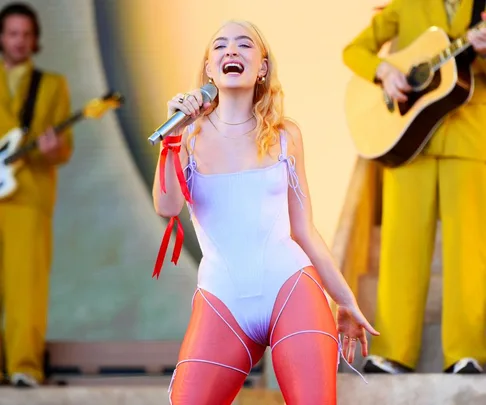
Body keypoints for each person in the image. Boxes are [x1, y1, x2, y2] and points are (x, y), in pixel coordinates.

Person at [152, 19, 378, 404]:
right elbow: (167, 206)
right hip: (221, 298)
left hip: (291, 288)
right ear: (209, 68)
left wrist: (345, 299)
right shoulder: (186, 136)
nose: (231, 51)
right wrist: (171, 139)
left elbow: (304, 230)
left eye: (244, 45)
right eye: (220, 46)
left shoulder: (286, 134)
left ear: (263, 68)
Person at [342, 0, 486, 374]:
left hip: (470, 139)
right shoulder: (406, 5)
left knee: (469, 253)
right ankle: (392, 352)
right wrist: (383, 70)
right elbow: (354, 51)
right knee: (399, 250)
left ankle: (466, 353)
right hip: (409, 141)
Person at [0, 2, 73, 387]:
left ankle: (24, 366)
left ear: (36, 40)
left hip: (29, 197)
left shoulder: (52, 86)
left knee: (26, 287)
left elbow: (65, 148)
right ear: (1, 37)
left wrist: (52, 150)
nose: (20, 41)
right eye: (13, 33)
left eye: (26, 34)